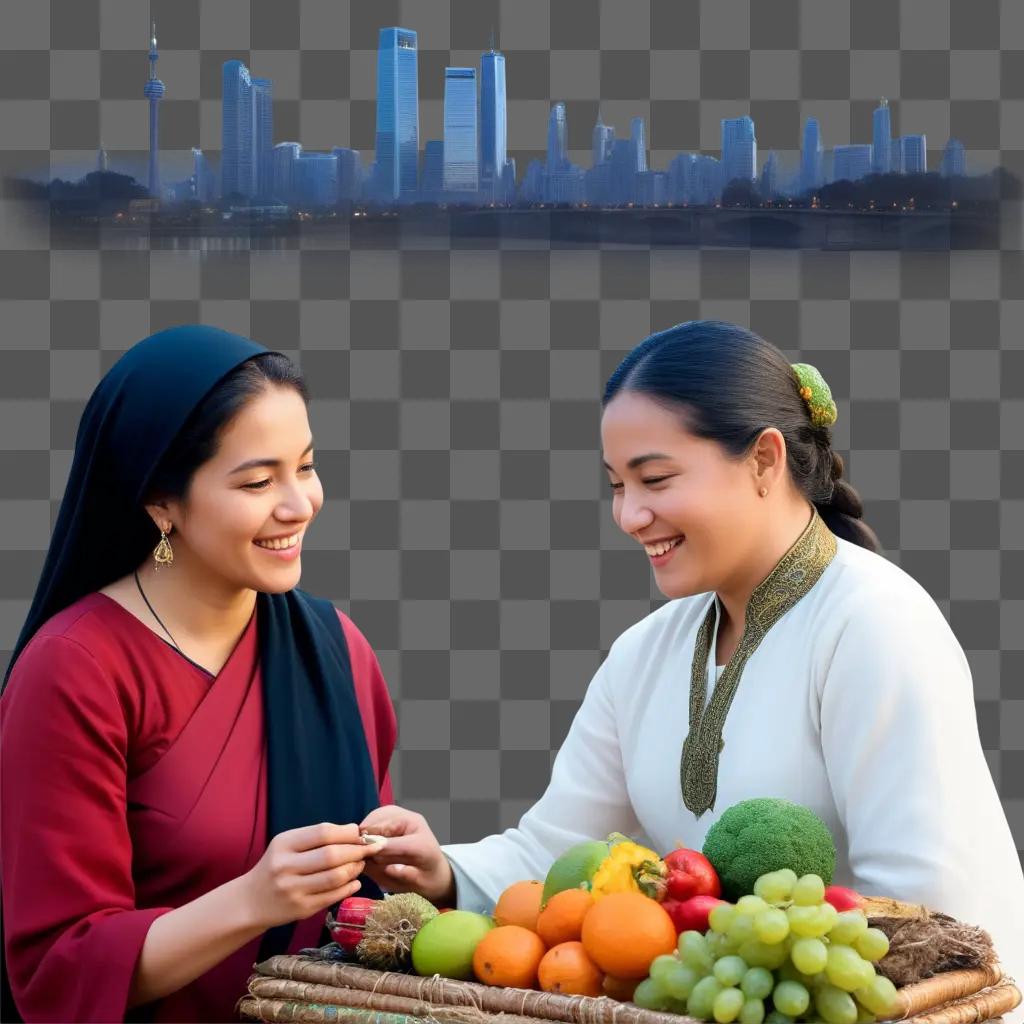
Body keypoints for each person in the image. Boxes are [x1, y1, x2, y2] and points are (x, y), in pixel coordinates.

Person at [358, 320, 1024, 980]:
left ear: (765, 459)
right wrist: (441, 871)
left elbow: (926, 912)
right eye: (618, 485)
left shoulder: (875, 623)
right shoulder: (646, 651)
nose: (628, 515)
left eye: (655, 479)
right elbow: (562, 854)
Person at [0, 325, 397, 1022]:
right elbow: (57, 968)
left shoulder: (338, 646)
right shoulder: (76, 671)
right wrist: (252, 901)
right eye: (257, 480)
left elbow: (370, 907)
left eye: (305, 467)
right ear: (162, 503)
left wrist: (424, 871)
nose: (298, 505)